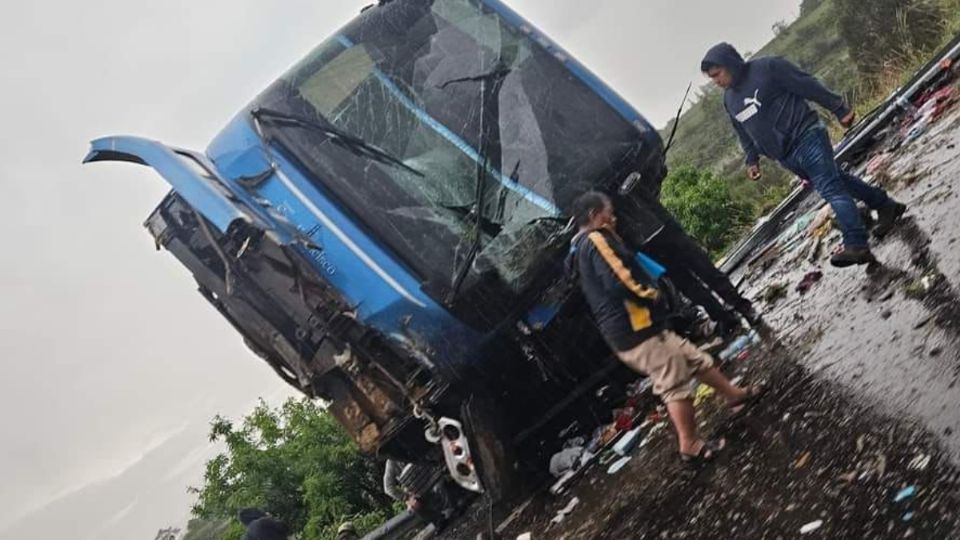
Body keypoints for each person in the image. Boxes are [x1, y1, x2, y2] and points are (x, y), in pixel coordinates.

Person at [567, 191, 761, 465]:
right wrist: (652, 295)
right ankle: (690, 445)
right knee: (674, 382)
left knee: (695, 359)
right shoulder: (596, 239)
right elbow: (618, 280)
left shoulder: (578, 249)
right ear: (593, 215)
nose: (614, 217)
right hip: (634, 329)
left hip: (636, 328)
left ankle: (734, 395)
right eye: (608, 211)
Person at [701, 42, 907, 267]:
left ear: (731, 64)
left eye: (717, 74)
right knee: (838, 180)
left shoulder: (768, 67)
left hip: (807, 135)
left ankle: (856, 243)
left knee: (831, 188)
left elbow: (807, 85)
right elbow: (742, 131)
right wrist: (752, 159)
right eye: (712, 78)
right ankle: (885, 205)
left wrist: (839, 107)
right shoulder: (729, 99)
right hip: (785, 156)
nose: (716, 81)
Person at [615, 190, 758, 335]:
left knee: (705, 268)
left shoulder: (614, 168)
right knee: (686, 285)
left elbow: (656, 172)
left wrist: (641, 183)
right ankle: (722, 317)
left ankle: (742, 307)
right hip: (643, 244)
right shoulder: (594, 188)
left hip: (663, 224)